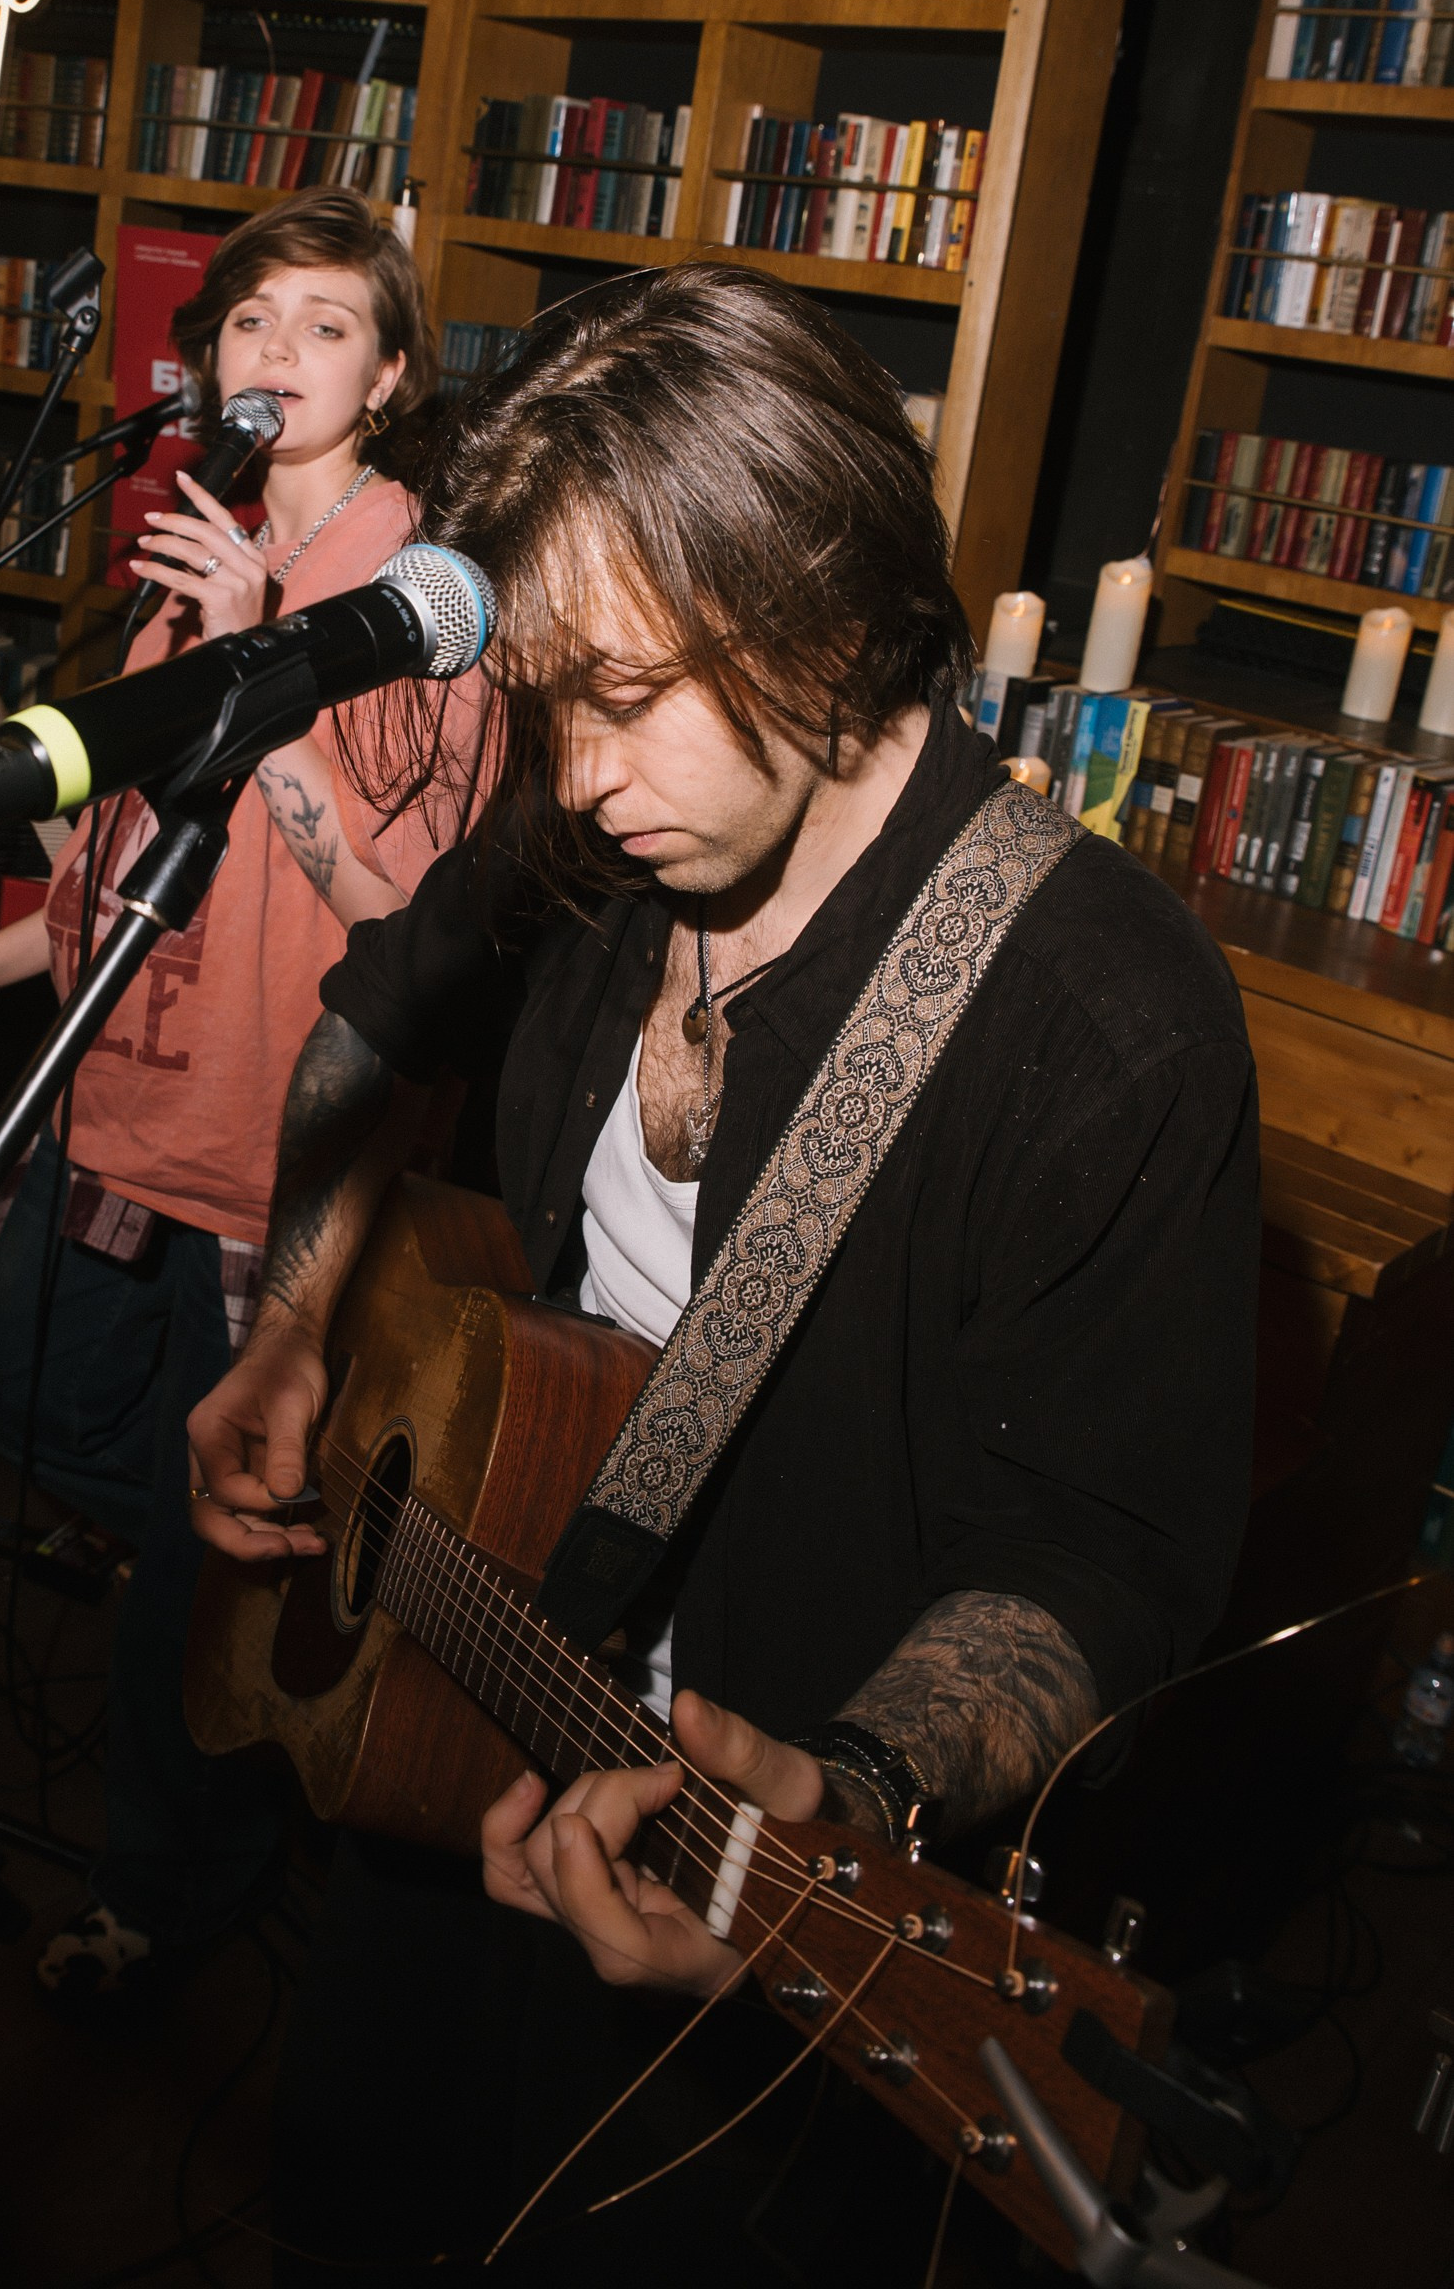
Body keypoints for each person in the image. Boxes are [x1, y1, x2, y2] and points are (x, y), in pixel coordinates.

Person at [187, 264, 1261, 2283]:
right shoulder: (597, 835)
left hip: (743, 1903)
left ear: (830, 605)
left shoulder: (1100, 1020)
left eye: (623, 698)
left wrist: (845, 1779)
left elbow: (1103, 1561)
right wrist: (291, 1325)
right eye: (546, 705)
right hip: (456, 1723)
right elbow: (368, 1019)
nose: (574, 778)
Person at [0, 187, 482, 1995]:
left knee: (189, 1539)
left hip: (285, 1148)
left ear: (391, 374)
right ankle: (259, 1599)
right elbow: (113, 865)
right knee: (16, 1393)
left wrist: (270, 669)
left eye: (323, 326)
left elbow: (412, 936)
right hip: (127, 1106)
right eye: (249, 322)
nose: (271, 353)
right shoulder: (193, 567)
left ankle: (168, 1883)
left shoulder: (421, 610)